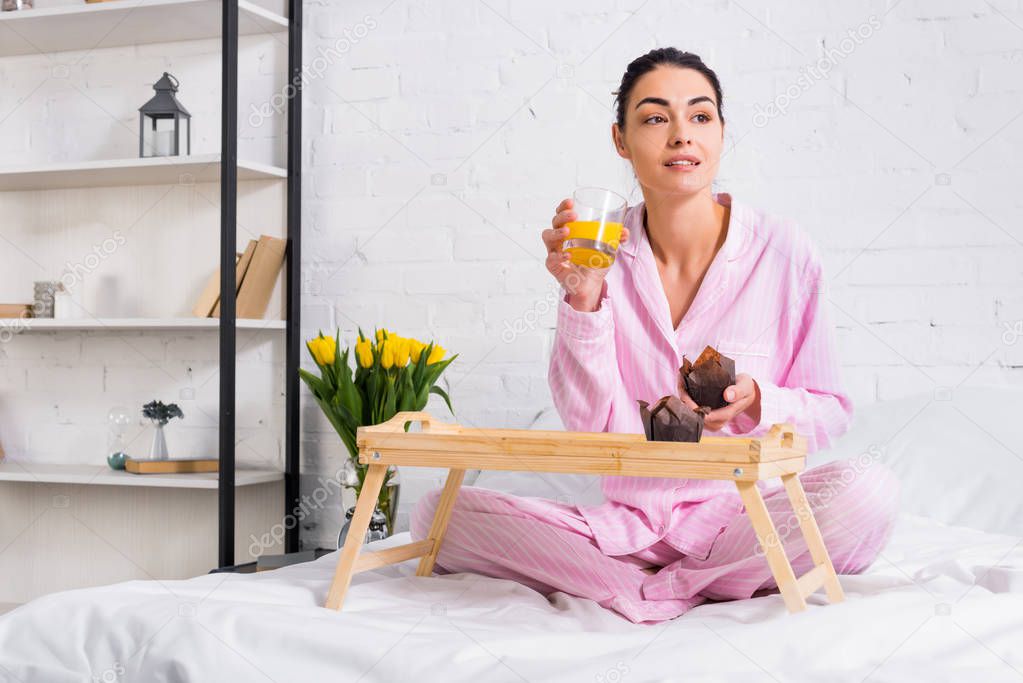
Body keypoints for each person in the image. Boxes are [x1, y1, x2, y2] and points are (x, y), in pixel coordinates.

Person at [411, 47, 900, 624]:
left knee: (868, 493)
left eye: (700, 116)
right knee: (435, 515)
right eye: (654, 117)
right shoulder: (598, 250)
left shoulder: (784, 251)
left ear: (720, 133)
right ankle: (673, 585)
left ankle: (651, 590)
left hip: (744, 518)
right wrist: (583, 296)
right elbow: (589, 425)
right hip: (628, 527)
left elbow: (830, 410)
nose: (680, 136)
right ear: (621, 140)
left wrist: (758, 401)